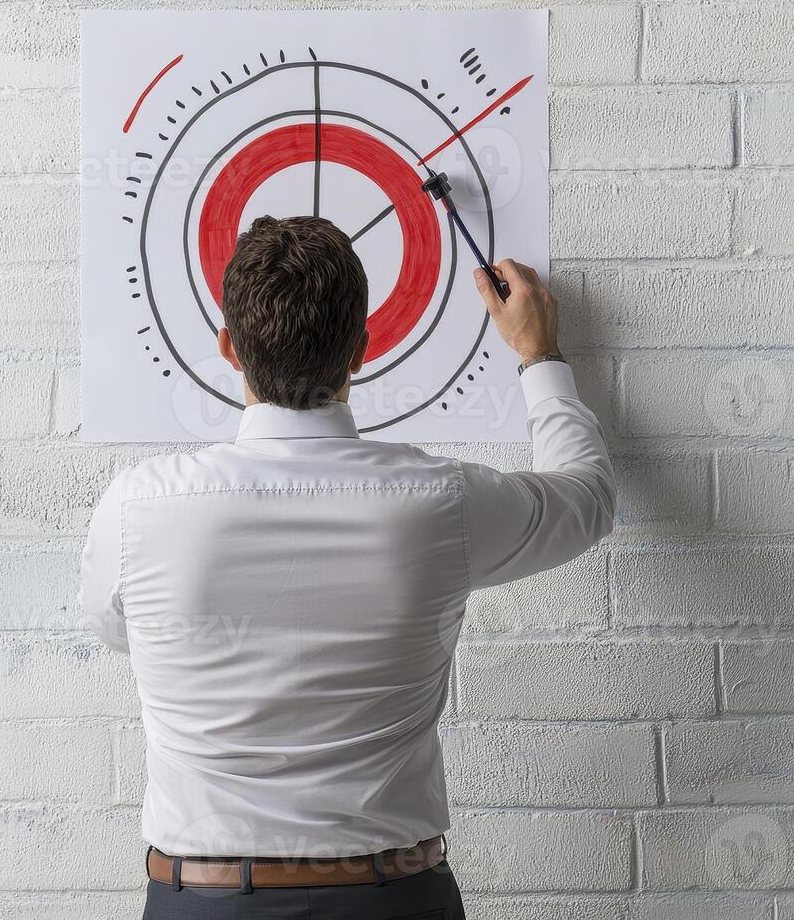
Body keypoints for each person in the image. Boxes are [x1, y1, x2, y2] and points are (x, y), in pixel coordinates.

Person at [80, 215, 616, 919]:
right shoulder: (437, 503)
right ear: (362, 351)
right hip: (393, 899)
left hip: (200, 900)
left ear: (228, 349)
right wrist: (538, 354)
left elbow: (118, 632)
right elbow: (589, 496)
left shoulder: (137, 507)